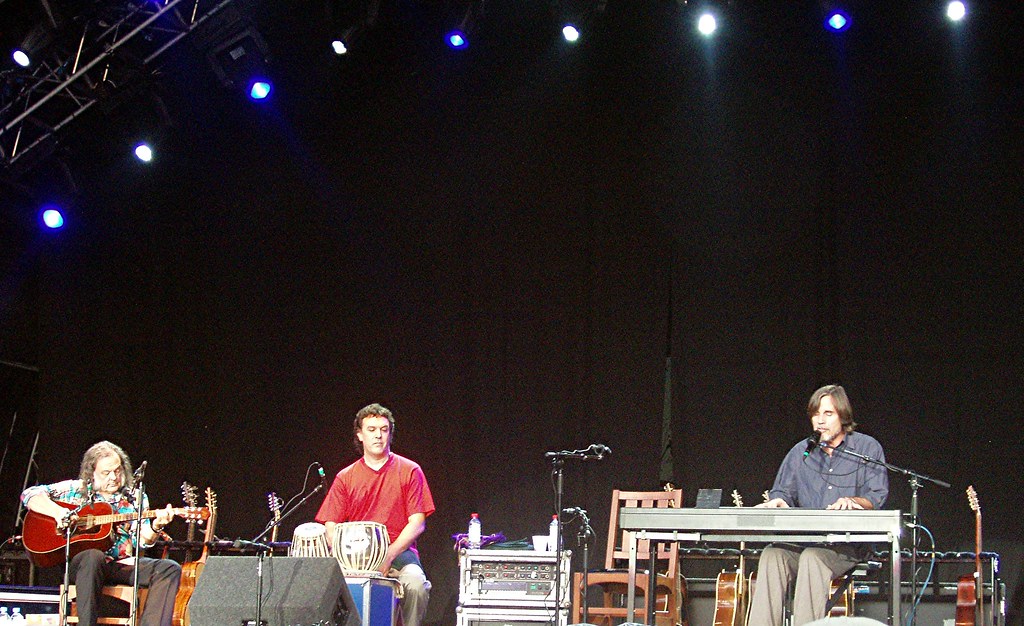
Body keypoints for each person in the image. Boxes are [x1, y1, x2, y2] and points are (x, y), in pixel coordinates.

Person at [746, 385, 888, 626]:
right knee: (772, 555)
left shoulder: (866, 448)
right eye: (815, 414)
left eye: (828, 414)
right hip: (804, 542)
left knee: (813, 558)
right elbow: (782, 492)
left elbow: (876, 496)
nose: (820, 421)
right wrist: (777, 501)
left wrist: (853, 502)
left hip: (846, 546)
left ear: (843, 416)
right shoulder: (800, 452)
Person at [21, 441, 182, 626]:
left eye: (118, 470)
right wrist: (58, 513)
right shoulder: (76, 489)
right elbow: (30, 494)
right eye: (106, 473)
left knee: (169, 568)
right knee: (93, 555)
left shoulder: (134, 497)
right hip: (83, 565)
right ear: (92, 474)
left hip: (119, 565)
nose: (114, 477)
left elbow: (141, 540)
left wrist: (156, 526)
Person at [317, 403, 435, 626]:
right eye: (371, 430)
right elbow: (331, 524)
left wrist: (388, 555)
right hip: (355, 558)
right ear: (360, 435)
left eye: (384, 429)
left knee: (416, 584)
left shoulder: (410, 470)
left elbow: (417, 523)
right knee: (326, 589)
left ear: (390, 434)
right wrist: (347, 557)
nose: (378, 436)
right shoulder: (346, 477)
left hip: (399, 554)